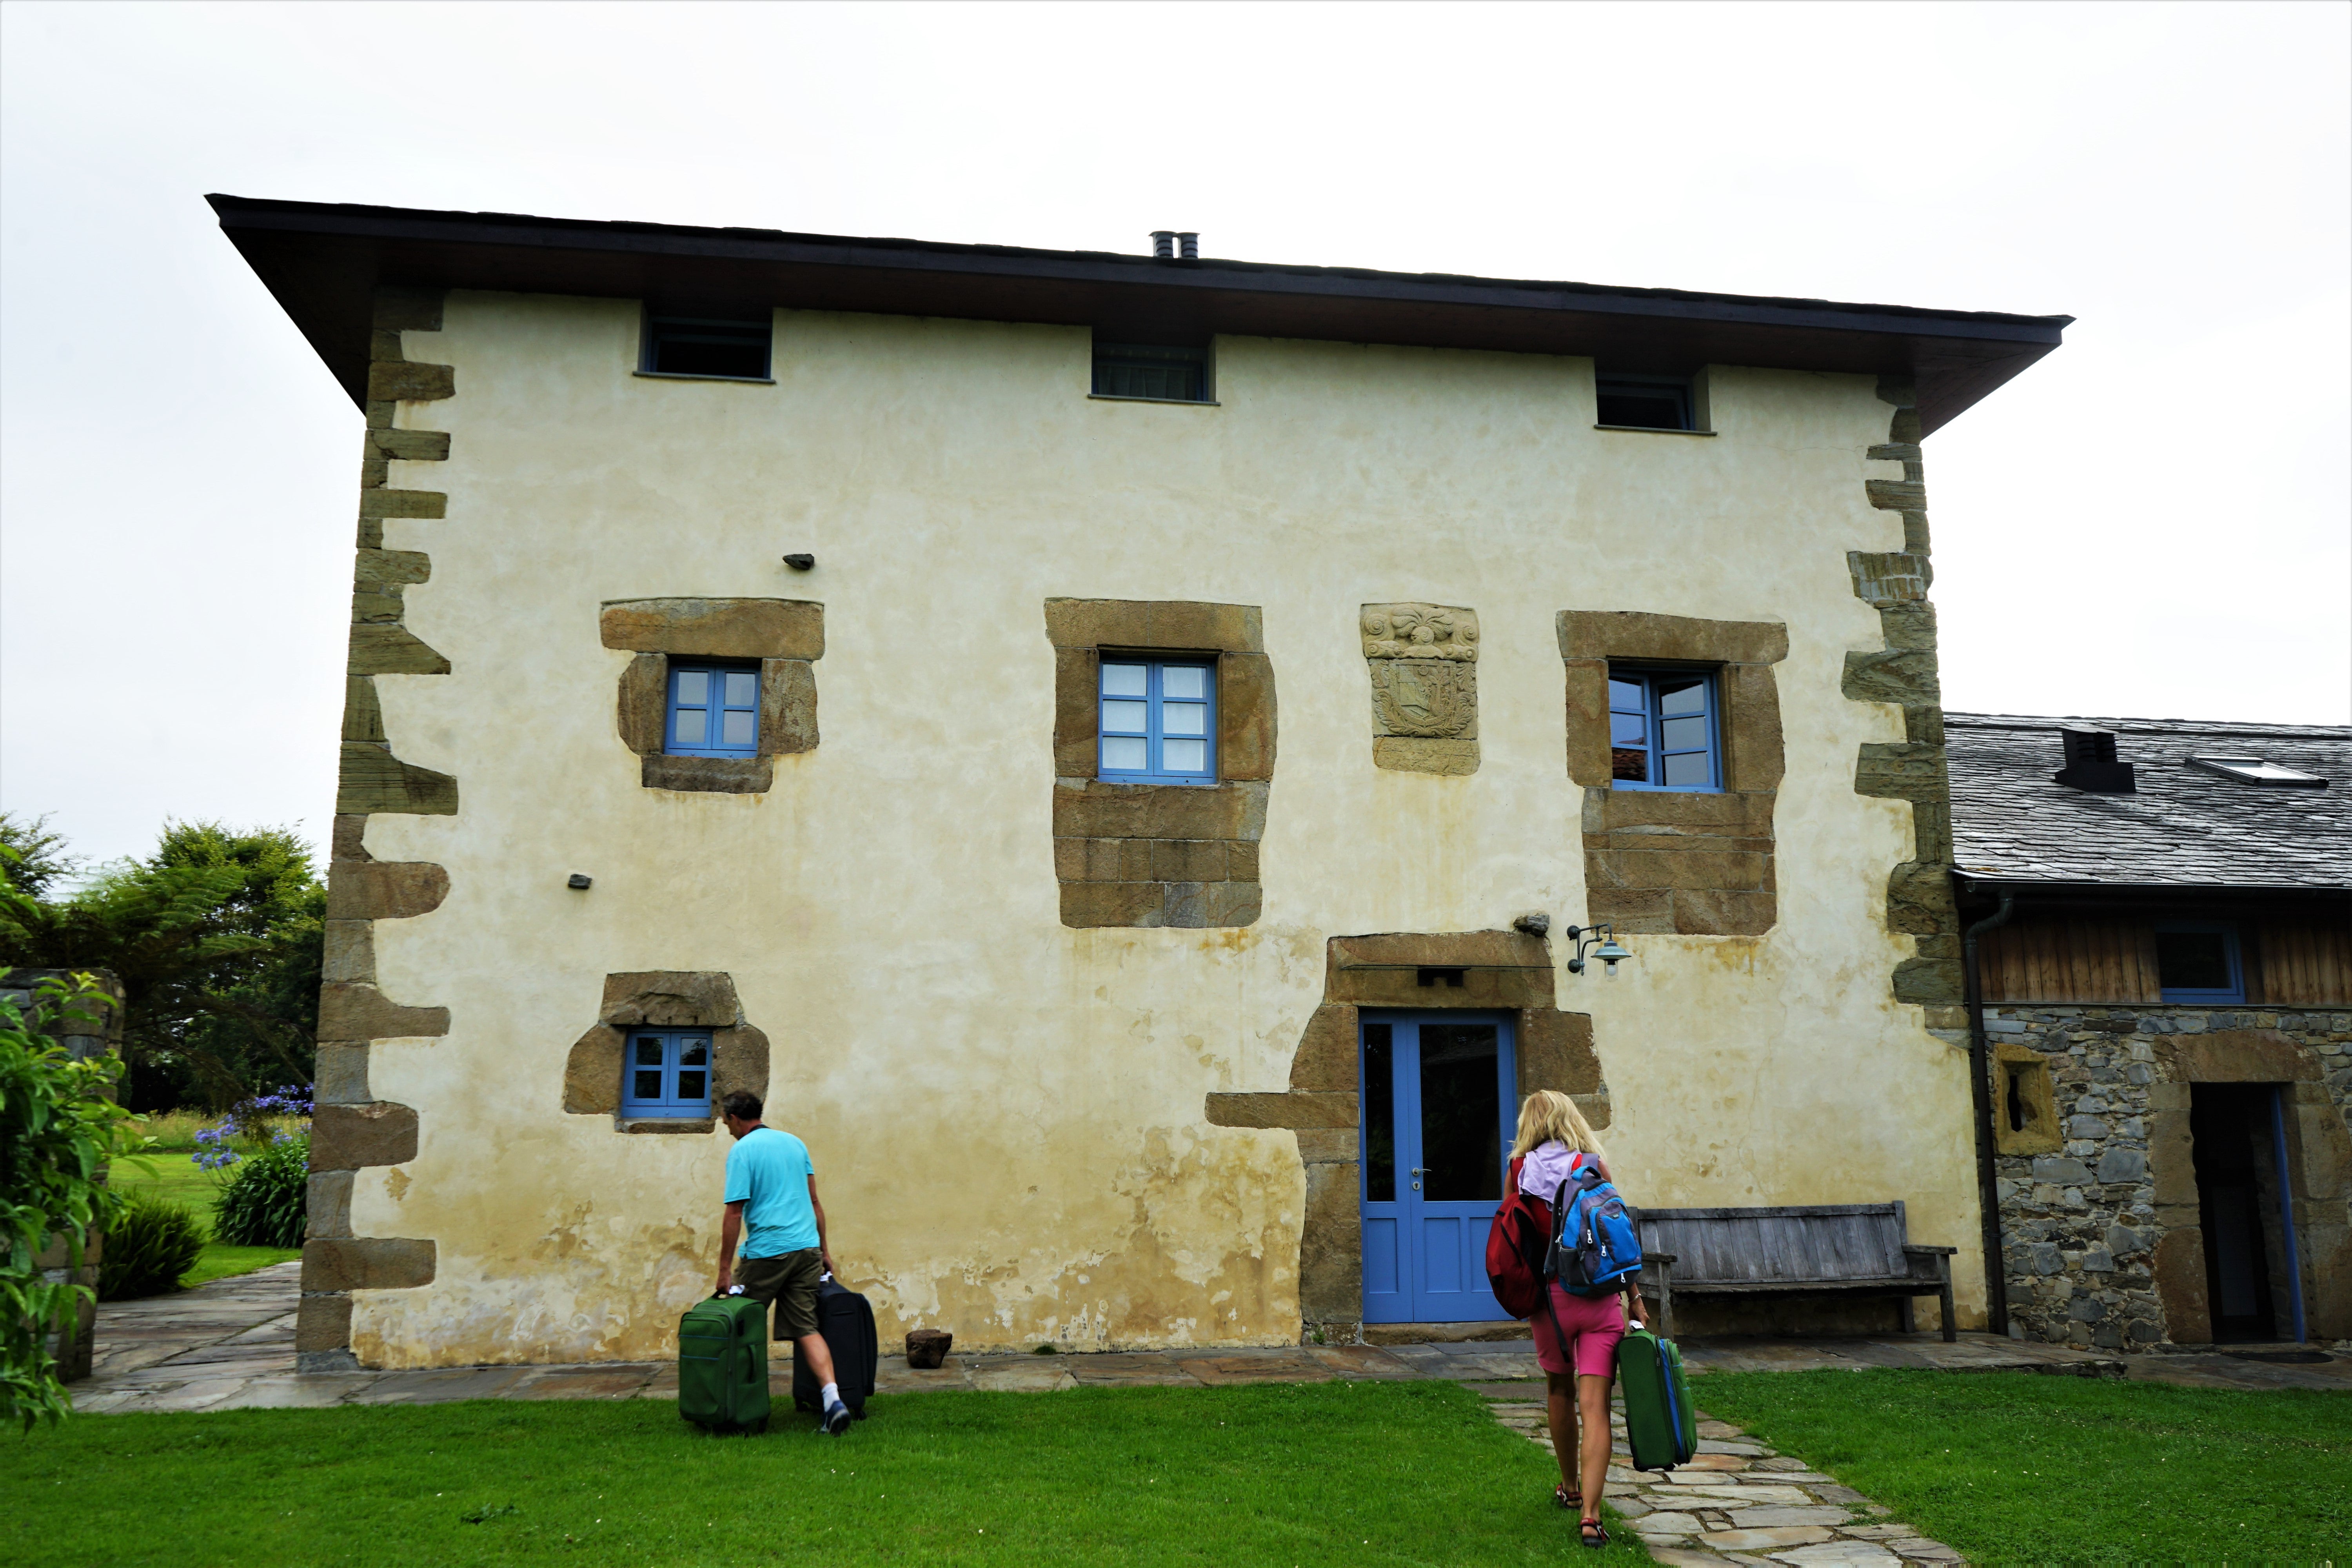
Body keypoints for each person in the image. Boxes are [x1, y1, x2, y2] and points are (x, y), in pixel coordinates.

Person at [1513, 1088, 1642, 1550]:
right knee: (1596, 1406)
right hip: (1598, 1299)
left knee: (1557, 1388)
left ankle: (1568, 1489)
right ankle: (1590, 1517)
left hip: (1548, 1303)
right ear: (1570, 1119)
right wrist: (1635, 1297)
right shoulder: (1592, 1166)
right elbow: (1617, 1237)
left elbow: (1516, 1236)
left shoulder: (1518, 1171)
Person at [714, 1089, 851, 1435]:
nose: (725, 1126)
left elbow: (734, 1212)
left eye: (725, 1120)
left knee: (741, 1328)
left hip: (767, 1253)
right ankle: (833, 1401)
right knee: (806, 1327)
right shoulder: (794, 1143)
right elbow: (815, 1201)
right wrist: (824, 1250)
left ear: (734, 1118)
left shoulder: (742, 1150)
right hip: (806, 1250)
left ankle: (742, 1410)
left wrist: (724, 1270)